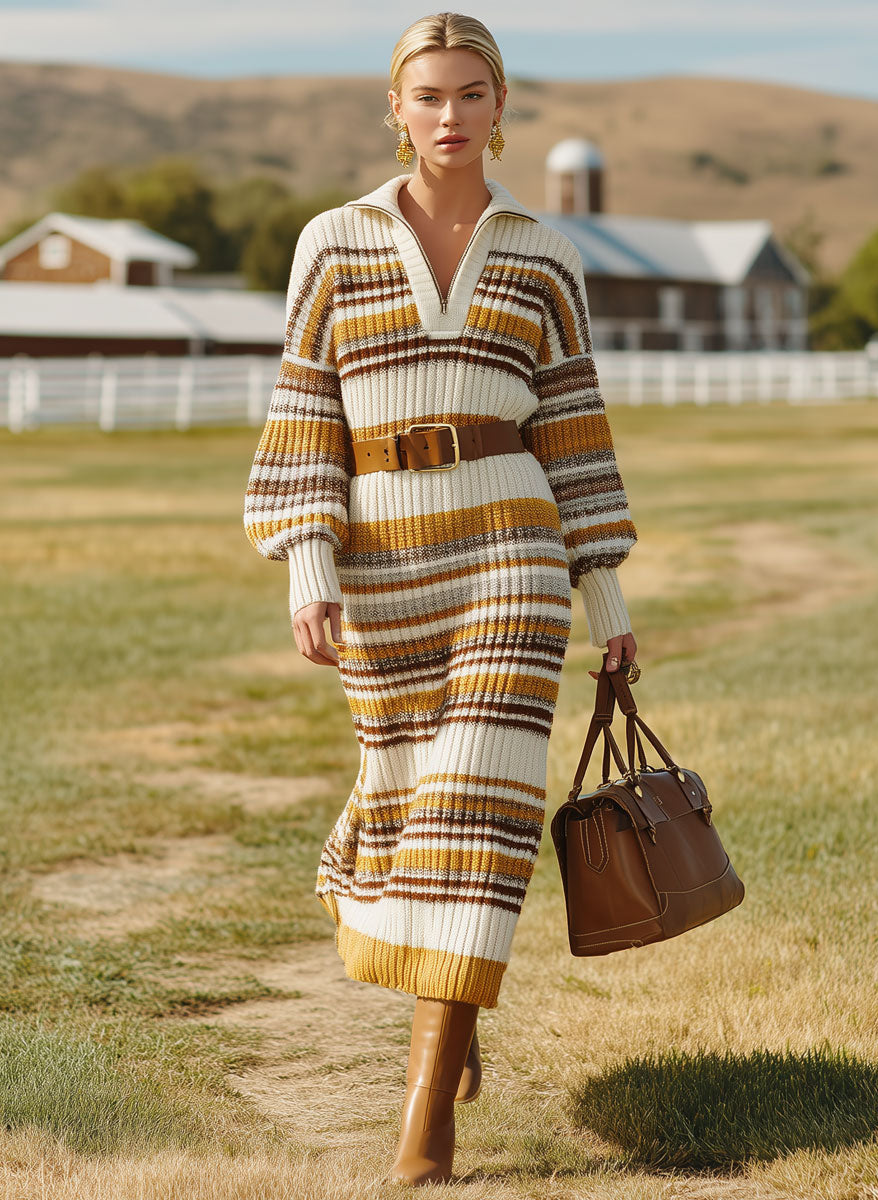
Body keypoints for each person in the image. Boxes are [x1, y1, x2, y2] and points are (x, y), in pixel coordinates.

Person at [243, 11, 638, 1185]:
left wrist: (605, 597)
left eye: (473, 94)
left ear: (501, 106)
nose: (451, 116)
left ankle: (425, 1112)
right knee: (408, 796)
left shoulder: (544, 249)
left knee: (487, 802)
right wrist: (308, 561)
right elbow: (305, 405)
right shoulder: (336, 238)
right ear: (396, 110)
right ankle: (446, 995)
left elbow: (573, 427)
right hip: (383, 558)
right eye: (430, 96)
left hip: (512, 546)